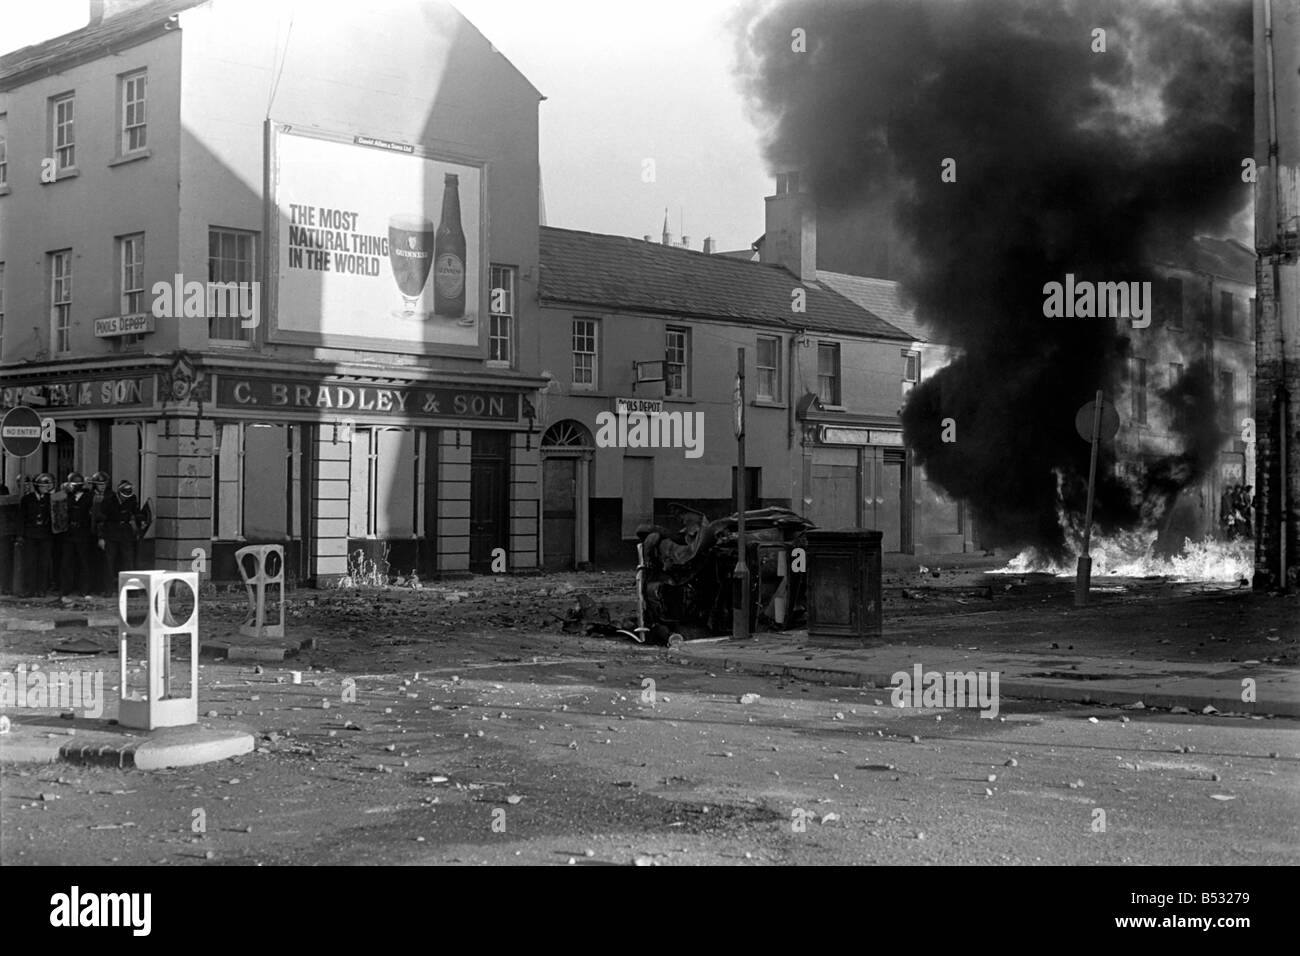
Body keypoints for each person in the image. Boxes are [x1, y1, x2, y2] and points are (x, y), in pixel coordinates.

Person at [17, 473, 58, 597]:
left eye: (47, 486)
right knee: (30, 563)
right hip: (30, 534)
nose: (45, 488)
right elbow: (21, 518)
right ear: (36, 487)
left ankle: (42, 589)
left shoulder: (51, 499)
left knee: (44, 563)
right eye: (42, 486)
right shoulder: (27, 499)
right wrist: (20, 535)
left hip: (46, 535)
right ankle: (29, 589)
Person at [99, 479, 142, 589]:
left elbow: (136, 513)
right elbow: (101, 520)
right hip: (111, 533)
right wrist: (101, 537)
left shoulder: (132, 499)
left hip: (126, 534)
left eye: (128, 495)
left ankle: (131, 588)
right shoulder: (109, 500)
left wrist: (140, 521)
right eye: (124, 495)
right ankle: (108, 589)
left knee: (128, 561)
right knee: (109, 562)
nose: (125, 498)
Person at [60, 472, 96, 599]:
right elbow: (55, 502)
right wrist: (63, 489)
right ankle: (66, 588)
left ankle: (84, 589)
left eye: (78, 485)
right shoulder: (65, 496)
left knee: (84, 562)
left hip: (83, 532)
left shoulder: (89, 496)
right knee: (67, 562)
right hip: (68, 532)